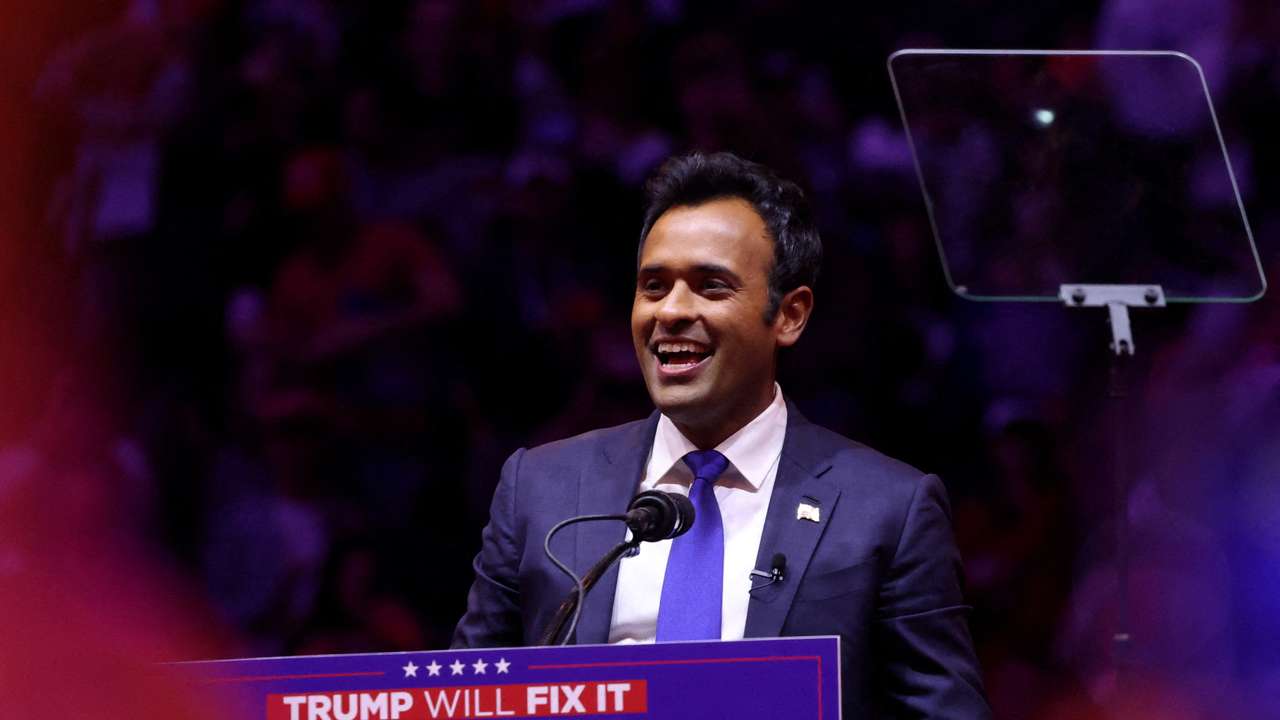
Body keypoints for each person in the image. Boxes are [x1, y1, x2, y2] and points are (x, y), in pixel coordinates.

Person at [453, 151, 991, 718]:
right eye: (653, 286)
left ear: (789, 315)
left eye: (711, 286)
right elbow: (461, 700)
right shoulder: (540, 488)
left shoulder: (888, 509)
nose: (672, 312)